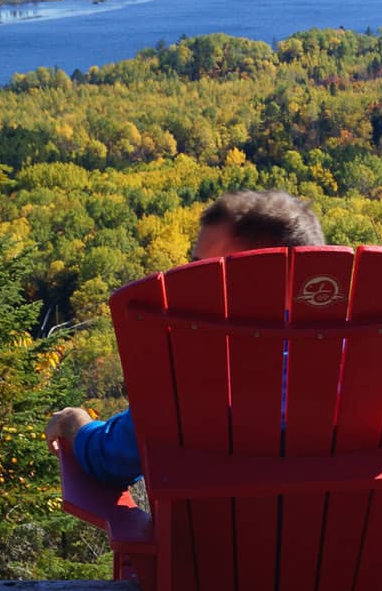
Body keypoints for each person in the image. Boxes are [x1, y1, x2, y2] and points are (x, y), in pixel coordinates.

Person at [44, 190, 324, 488]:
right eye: (191, 266)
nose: (189, 280)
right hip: (330, 519)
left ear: (269, 281)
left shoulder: (197, 372)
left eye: (208, 271)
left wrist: (74, 422)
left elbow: (111, 458)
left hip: (219, 520)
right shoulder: (354, 365)